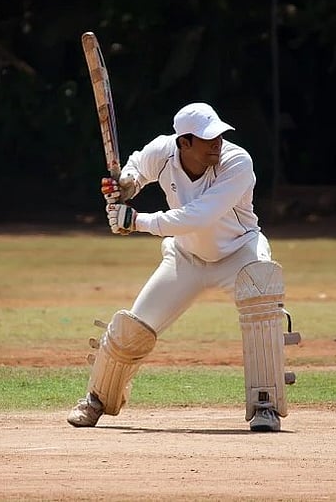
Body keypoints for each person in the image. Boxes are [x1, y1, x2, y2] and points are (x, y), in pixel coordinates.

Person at [67, 102, 296, 432]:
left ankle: (266, 405)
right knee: (134, 325)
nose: (216, 144)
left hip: (239, 251)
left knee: (262, 291)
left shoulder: (237, 161)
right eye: (207, 139)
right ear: (183, 142)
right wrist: (127, 183)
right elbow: (136, 167)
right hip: (187, 257)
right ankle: (97, 399)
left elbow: (199, 216)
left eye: (218, 135)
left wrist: (135, 221)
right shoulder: (162, 151)